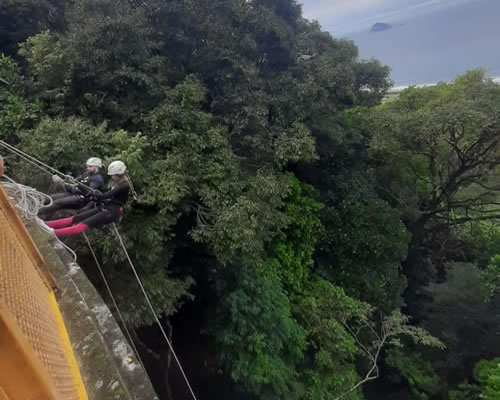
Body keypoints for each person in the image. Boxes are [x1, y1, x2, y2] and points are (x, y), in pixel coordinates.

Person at [45, 161, 130, 237]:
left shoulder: (124, 186)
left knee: (82, 225)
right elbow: (107, 196)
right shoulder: (119, 183)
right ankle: (46, 224)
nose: (112, 177)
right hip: (106, 207)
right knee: (77, 218)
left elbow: (105, 196)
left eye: (113, 176)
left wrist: (89, 192)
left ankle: (53, 233)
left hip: (111, 212)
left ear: (118, 175)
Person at [39, 157, 105, 216]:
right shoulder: (86, 174)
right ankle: (32, 207)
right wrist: (67, 180)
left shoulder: (97, 179)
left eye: (90, 166)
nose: (87, 168)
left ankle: (36, 213)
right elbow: (74, 182)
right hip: (73, 194)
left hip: (82, 200)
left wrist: (62, 183)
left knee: (57, 203)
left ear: (96, 167)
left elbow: (88, 193)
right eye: (87, 166)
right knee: (48, 198)